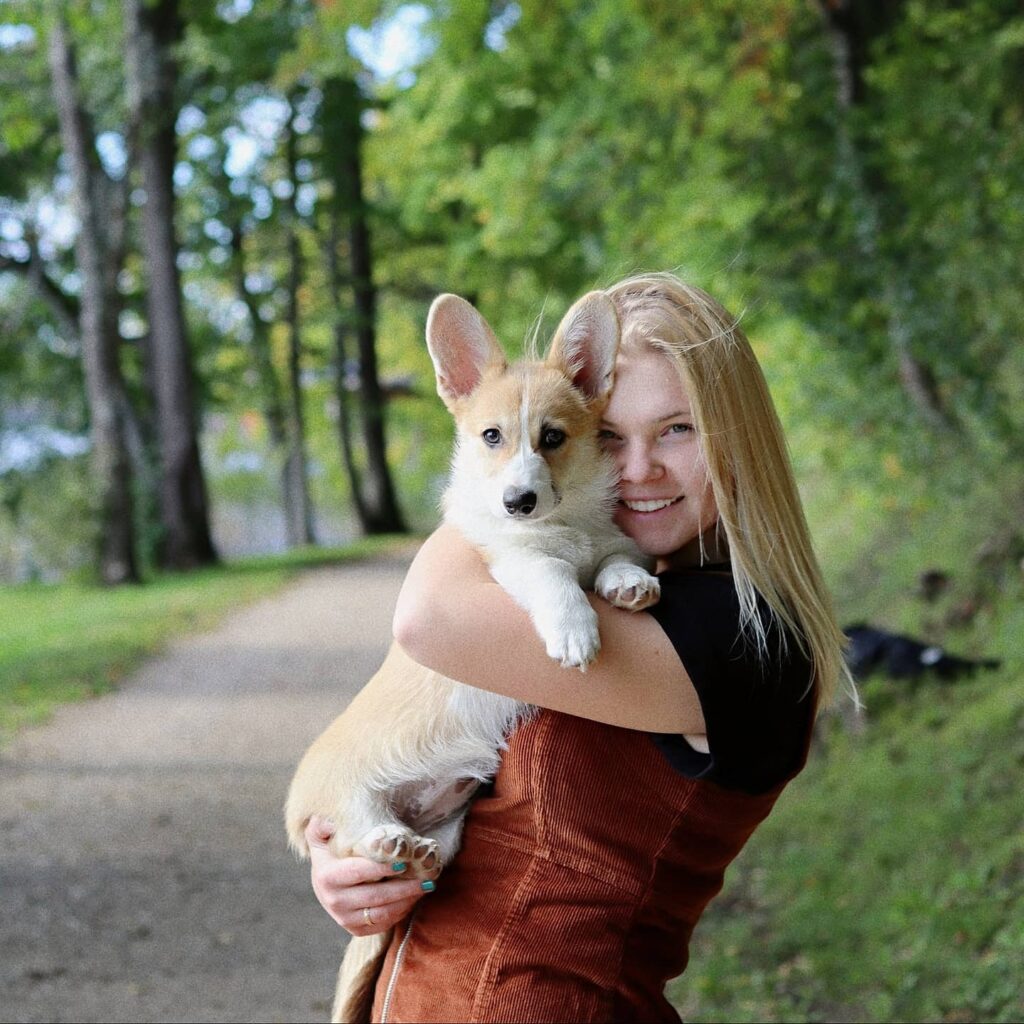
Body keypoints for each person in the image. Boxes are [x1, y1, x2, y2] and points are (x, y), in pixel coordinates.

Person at [304, 271, 850, 1022]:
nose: (636, 469)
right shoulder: (626, 588)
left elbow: (427, 619)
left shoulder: (743, 642)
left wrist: (490, 447)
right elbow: (449, 756)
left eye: (678, 430)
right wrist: (353, 866)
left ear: (738, 438)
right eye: (610, 437)